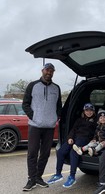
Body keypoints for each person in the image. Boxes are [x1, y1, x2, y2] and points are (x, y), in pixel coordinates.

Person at [22, 63, 62, 192]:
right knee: (32, 153)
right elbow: (25, 104)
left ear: (53, 72)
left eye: (51, 70)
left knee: (45, 154)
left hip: (49, 126)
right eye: (47, 70)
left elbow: (59, 106)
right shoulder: (33, 85)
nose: (49, 72)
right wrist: (33, 116)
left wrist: (56, 117)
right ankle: (31, 179)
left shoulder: (56, 88)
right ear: (42, 71)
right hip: (35, 125)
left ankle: (39, 177)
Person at [47, 103, 97, 188]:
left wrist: (94, 139)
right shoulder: (79, 120)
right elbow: (73, 130)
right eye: (87, 110)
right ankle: (58, 174)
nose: (89, 112)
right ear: (84, 111)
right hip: (75, 138)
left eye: (91, 110)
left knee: (73, 152)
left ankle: (72, 177)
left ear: (93, 111)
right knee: (61, 152)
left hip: (85, 139)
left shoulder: (96, 121)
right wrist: (70, 138)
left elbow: (97, 132)